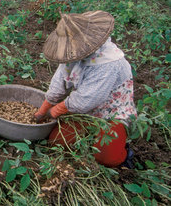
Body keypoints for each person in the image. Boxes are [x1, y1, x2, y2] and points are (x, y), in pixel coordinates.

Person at [35, 10, 137, 168]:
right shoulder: (72, 53)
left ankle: (124, 155)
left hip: (111, 113)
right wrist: (44, 108)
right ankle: (89, 140)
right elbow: (59, 82)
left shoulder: (108, 63)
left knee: (107, 158)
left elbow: (85, 100)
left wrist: (55, 111)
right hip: (86, 113)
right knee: (57, 141)